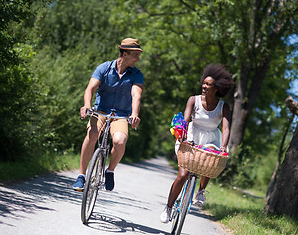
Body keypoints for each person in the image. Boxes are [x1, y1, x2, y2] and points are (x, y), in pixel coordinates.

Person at [160, 63, 234, 223]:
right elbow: (186, 119)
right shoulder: (193, 100)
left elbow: (226, 128)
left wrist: (223, 146)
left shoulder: (223, 107)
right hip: (192, 135)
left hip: (211, 138)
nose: (204, 86)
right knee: (182, 175)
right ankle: (168, 207)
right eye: (204, 83)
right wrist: (183, 135)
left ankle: (200, 191)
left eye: (209, 85)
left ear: (217, 89)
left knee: (210, 159)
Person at [72, 38, 144, 192]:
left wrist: (135, 114)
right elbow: (90, 89)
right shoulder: (104, 68)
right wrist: (86, 105)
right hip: (100, 111)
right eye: (135, 55)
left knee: (119, 141)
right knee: (92, 134)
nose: (137, 59)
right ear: (124, 53)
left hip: (121, 115)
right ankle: (81, 175)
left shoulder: (136, 74)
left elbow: (136, 95)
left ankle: (110, 170)